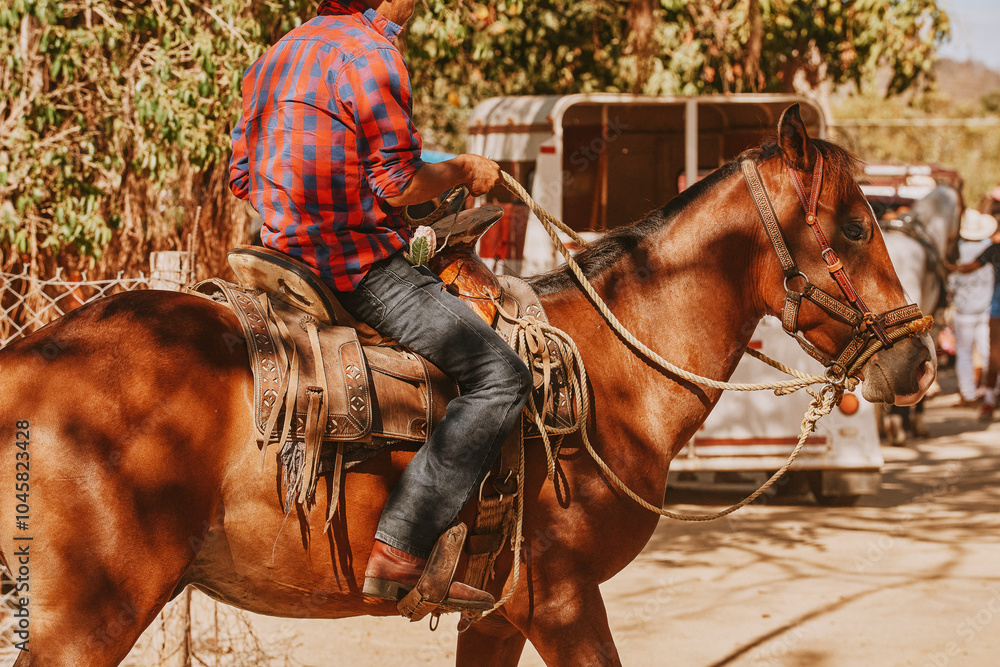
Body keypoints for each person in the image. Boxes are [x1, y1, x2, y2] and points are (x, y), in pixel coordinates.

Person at [228, 0, 532, 611]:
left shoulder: (276, 55)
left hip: (281, 260)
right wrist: (464, 171)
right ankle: (402, 544)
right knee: (501, 377)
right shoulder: (372, 55)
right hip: (352, 269)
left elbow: (242, 178)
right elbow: (396, 185)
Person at [950, 207, 1000, 422]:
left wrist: (948, 267)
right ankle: (991, 394)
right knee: (990, 352)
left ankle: (978, 395)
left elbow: (968, 268)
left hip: (975, 309)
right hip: (986, 307)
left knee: (975, 352)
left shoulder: (989, 250)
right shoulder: (990, 247)